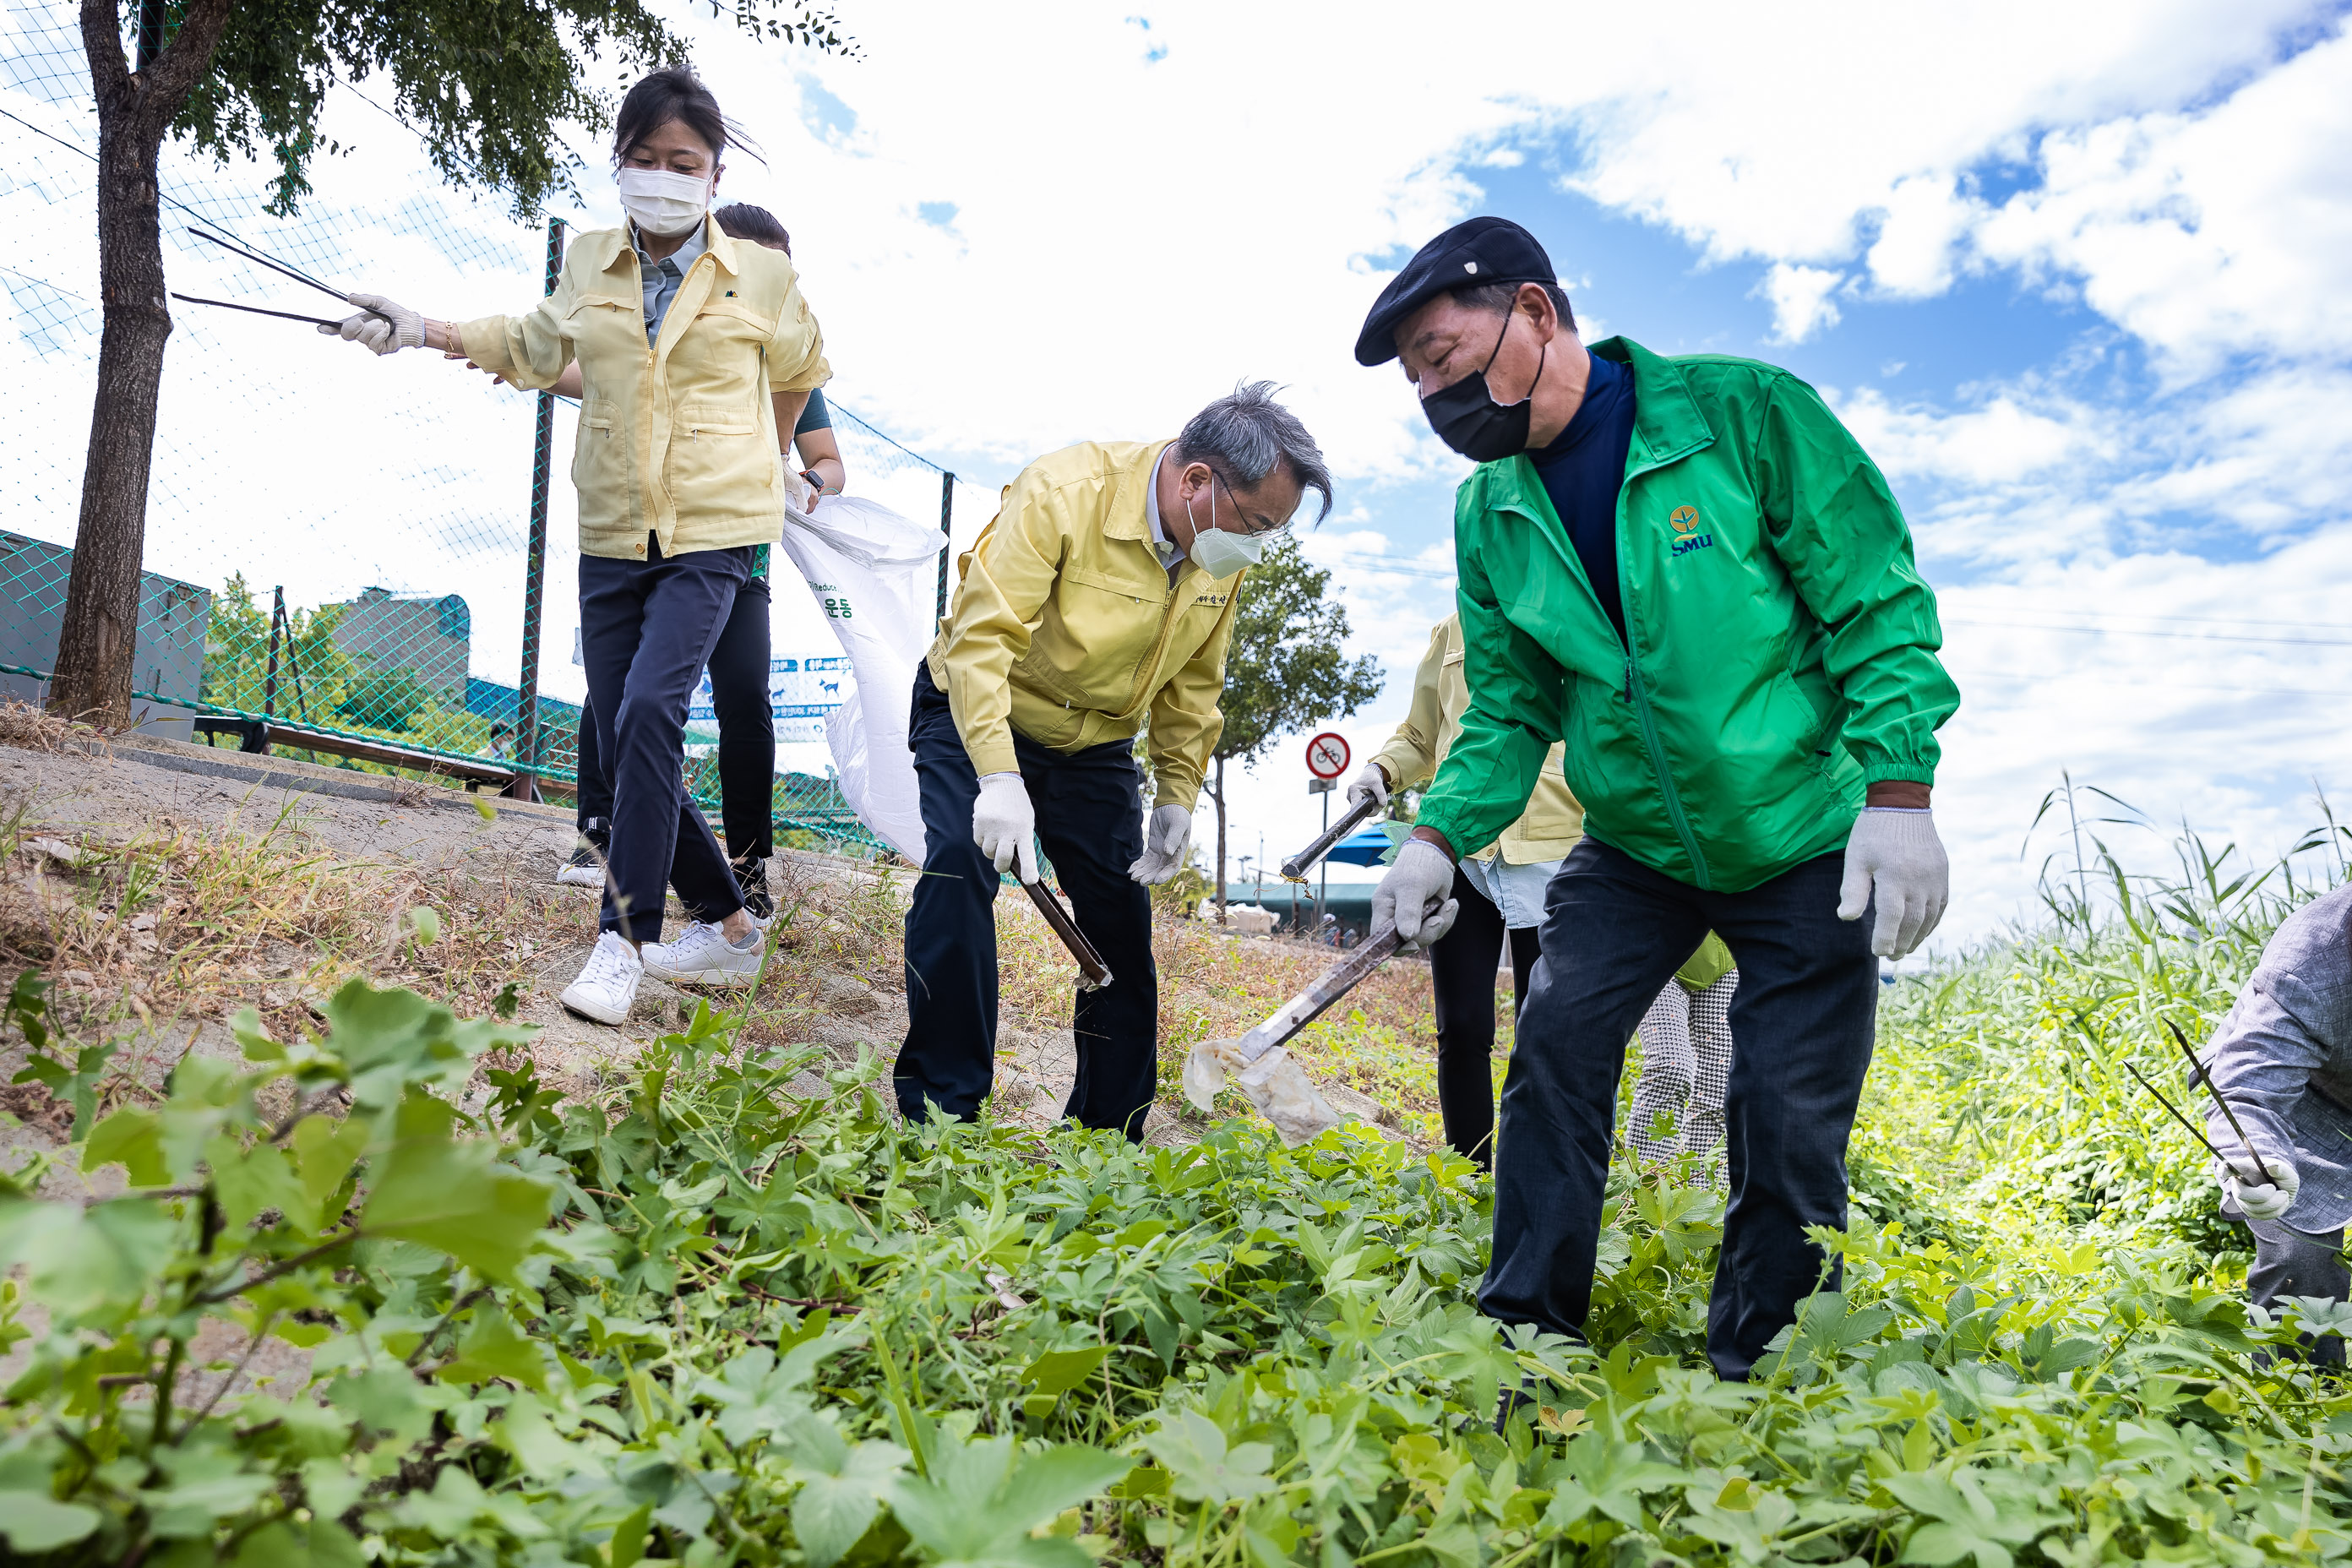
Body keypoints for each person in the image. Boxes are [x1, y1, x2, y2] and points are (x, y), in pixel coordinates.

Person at [1358, 216, 1958, 1382]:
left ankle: (1766, 1366)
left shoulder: (1743, 417)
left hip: (1800, 834)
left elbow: (1875, 605)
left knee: (1785, 1114)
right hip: (1631, 843)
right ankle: (1528, 1339)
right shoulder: (1493, 512)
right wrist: (1436, 837)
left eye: (1443, 353)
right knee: (1555, 1058)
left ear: (1533, 311)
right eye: (1419, 379)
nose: (1435, 394)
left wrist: (1899, 789)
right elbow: (1509, 707)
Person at [322, 67, 830, 1022]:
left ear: (714, 175)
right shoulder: (593, 261)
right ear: (619, 165)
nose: (664, 177)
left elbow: (801, 370)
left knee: (646, 709)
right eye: (645, 160)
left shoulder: (762, 273)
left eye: (684, 162)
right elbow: (536, 343)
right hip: (610, 526)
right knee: (619, 723)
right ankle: (728, 922)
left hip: (715, 530)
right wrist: (418, 328)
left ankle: (622, 936)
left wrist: (767, 458)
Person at [905, 384, 1331, 1141]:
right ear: (1197, 482)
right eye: (1259, 524)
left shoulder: (1214, 553)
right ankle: (942, 1114)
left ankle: (1109, 1135)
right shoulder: (1064, 494)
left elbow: (1195, 684)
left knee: (1119, 927)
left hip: (1094, 745)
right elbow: (980, 641)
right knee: (957, 872)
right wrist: (999, 778)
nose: (1259, 546)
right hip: (979, 707)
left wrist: (1176, 792)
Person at [549, 201, 850, 919]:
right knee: (620, 690)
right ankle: (602, 835)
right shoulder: (661, 335)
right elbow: (588, 373)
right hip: (648, 548)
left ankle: (747, 866)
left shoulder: (778, 359)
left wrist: (809, 483)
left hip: (733, 562)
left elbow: (830, 463)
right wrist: (519, 360)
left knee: (746, 697)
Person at [1350, 612, 1584, 1168]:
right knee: (1461, 1025)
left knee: (1548, 1032)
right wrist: (1383, 769)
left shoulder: (1575, 607)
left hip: (1555, 848)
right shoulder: (1451, 630)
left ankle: (1540, 1175)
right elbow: (1421, 735)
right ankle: (1468, 1174)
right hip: (1462, 847)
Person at [2196, 882, 2352, 1366]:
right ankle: (2302, 1396)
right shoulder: (2313, 960)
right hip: (2306, 1102)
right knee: (2302, 1264)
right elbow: (2249, 1088)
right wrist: (2255, 1160)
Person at [1628, 936, 1738, 1168]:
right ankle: (1648, 1181)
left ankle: (1699, 1192)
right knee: (1671, 1068)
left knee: (1718, 1089)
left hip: (1724, 957)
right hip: (1659, 950)